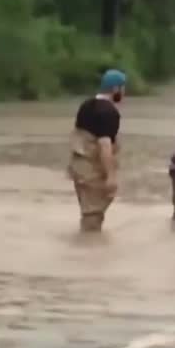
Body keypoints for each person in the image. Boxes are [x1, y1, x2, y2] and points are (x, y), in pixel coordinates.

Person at [67, 69, 126, 232]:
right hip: (92, 169)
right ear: (115, 89)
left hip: (78, 167)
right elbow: (104, 145)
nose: (124, 93)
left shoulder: (86, 105)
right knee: (93, 215)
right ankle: (87, 249)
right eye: (123, 88)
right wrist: (111, 176)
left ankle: (87, 247)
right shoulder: (109, 112)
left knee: (88, 212)